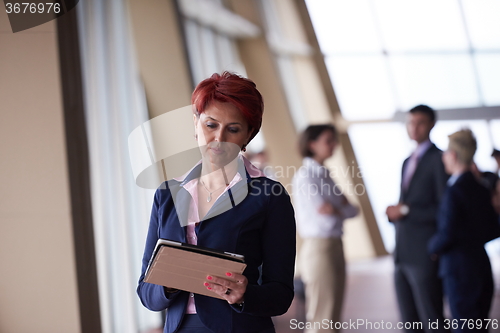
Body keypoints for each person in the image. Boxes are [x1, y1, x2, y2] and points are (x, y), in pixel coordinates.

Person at [137, 72, 296, 333]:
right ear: (196, 124)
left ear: (249, 135)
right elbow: (145, 291)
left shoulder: (269, 196)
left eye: (233, 129)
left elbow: (281, 295)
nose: (219, 139)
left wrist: (246, 294)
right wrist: (167, 284)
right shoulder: (167, 194)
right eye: (211, 125)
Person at [428, 129, 500, 332]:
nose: (443, 157)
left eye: (445, 152)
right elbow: (493, 229)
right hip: (480, 266)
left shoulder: (454, 192)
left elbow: (447, 233)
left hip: (459, 270)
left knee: (464, 326)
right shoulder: (481, 188)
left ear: (452, 155)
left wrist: (431, 247)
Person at [386, 105, 448, 332]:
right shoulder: (406, 161)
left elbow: (443, 210)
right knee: (409, 322)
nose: (414, 128)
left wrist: (405, 211)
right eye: (410, 122)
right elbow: (407, 204)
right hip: (402, 252)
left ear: (431, 125)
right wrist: (396, 213)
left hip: (423, 253)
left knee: (432, 320)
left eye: (420, 122)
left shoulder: (439, 160)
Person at [293, 124, 358, 333]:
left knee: (334, 317)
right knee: (322, 319)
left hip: (335, 245)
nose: (334, 145)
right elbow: (326, 220)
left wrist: (335, 209)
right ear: (312, 144)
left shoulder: (324, 175)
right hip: (319, 248)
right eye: (328, 140)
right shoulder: (306, 176)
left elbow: (353, 211)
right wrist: (340, 208)